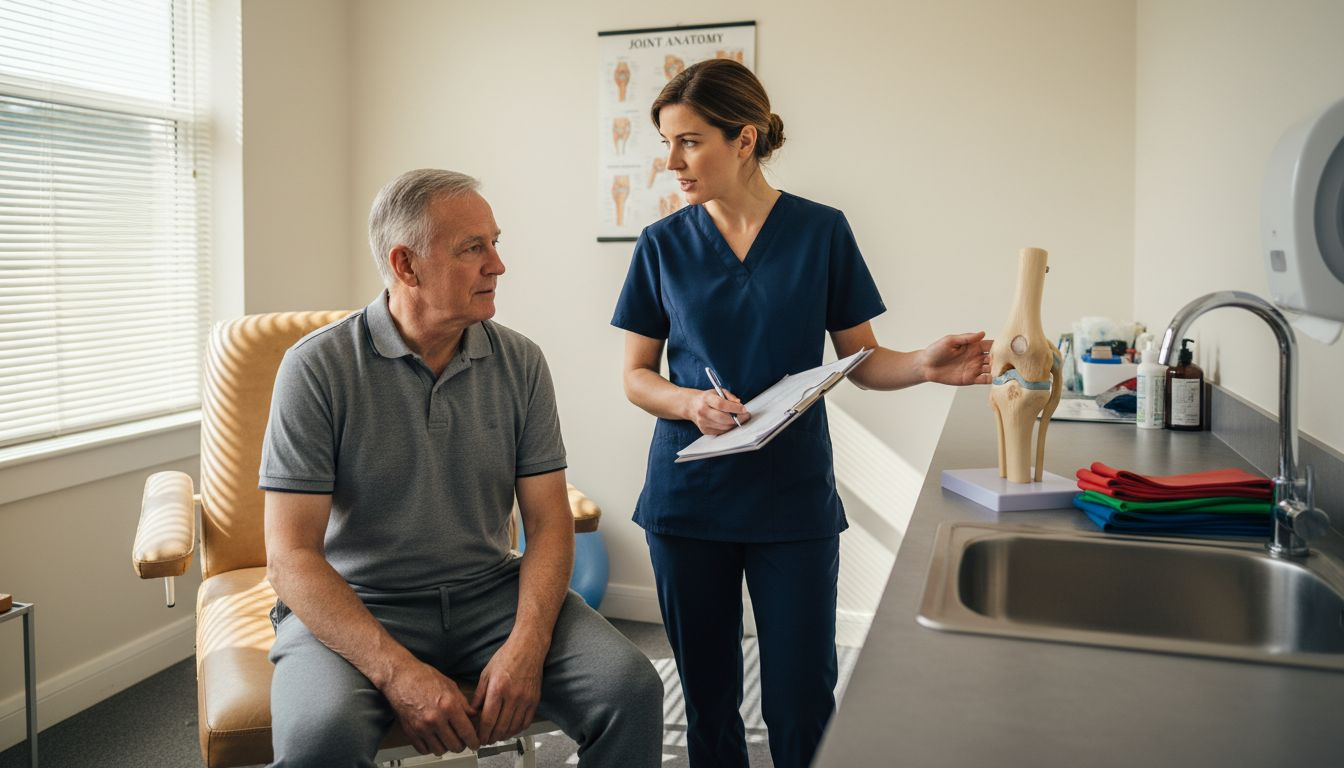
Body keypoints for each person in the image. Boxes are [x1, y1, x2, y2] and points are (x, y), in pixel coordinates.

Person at [611, 59, 990, 768]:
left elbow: (863, 360)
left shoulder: (822, 233)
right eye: (667, 144)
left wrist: (924, 366)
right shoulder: (662, 244)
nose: (671, 163)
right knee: (709, 707)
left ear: (745, 139)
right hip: (688, 503)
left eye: (688, 142)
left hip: (792, 504)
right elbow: (637, 377)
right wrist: (691, 401)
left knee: (801, 701)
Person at [261, 169, 663, 767]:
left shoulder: (521, 362)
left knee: (632, 689)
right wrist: (397, 671)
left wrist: (527, 644)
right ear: (406, 265)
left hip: (490, 595)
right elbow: (290, 556)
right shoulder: (315, 369)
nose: (497, 264)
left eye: (495, 243)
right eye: (474, 248)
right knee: (320, 737)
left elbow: (550, 524)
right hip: (361, 603)